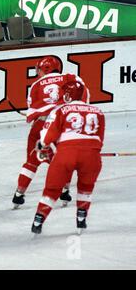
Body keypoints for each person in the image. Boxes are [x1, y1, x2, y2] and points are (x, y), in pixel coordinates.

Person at [12, 56, 90, 209]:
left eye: (39, 70)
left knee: (31, 161)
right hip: (63, 123)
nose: (38, 73)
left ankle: (19, 194)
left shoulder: (35, 85)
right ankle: (65, 191)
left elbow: (31, 107)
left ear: (45, 69)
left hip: (42, 124)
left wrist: (35, 114)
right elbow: (84, 95)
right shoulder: (70, 77)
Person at [31, 81, 105, 234]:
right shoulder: (98, 111)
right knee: (86, 188)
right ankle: (81, 219)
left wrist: (42, 144)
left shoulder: (61, 110)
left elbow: (47, 136)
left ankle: (38, 221)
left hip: (66, 154)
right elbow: (100, 138)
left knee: (52, 189)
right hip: (92, 155)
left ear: (68, 95)